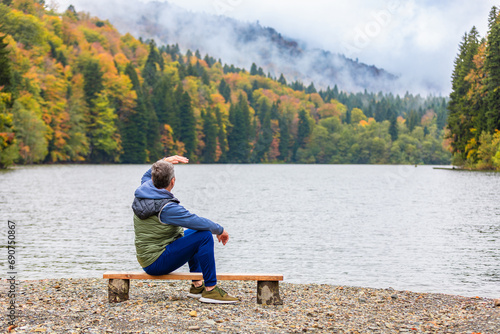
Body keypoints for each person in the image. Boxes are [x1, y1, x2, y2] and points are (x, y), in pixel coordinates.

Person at [132, 156, 238, 304]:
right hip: (156, 262)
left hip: (149, 257)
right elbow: (195, 221)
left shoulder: (144, 190)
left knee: (194, 234)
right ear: (172, 182)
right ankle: (211, 289)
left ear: (154, 179)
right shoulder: (166, 208)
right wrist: (220, 230)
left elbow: (146, 175)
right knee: (205, 235)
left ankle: (197, 286)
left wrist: (163, 161)